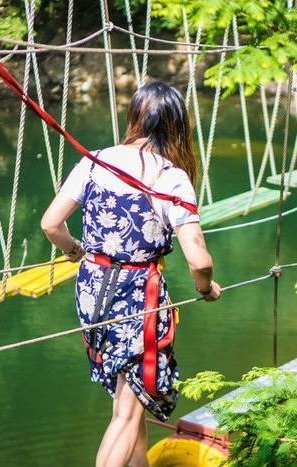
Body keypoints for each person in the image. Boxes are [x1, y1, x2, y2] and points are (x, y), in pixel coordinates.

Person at [40, 82, 221, 467]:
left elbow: (51, 224)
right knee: (126, 413)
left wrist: (76, 252)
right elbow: (199, 259)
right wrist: (205, 289)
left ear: (135, 117)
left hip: (91, 290)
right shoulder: (170, 177)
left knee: (127, 400)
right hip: (138, 295)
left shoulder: (95, 160)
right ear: (177, 127)